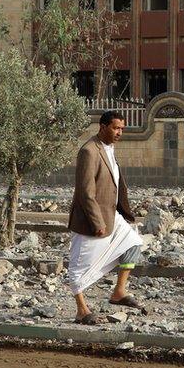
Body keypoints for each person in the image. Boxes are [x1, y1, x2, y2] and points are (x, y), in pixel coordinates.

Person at [66, 110, 144, 324]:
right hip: (92, 219)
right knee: (79, 265)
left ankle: (119, 292)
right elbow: (85, 191)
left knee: (133, 244)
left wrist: (125, 211)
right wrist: (96, 222)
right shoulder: (89, 151)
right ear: (102, 127)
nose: (119, 132)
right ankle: (82, 310)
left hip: (112, 214)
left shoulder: (109, 149)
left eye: (121, 129)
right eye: (115, 128)